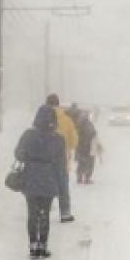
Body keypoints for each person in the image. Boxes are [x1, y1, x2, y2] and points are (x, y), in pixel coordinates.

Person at [16, 106, 65, 259]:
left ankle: (33, 245)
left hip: (31, 177)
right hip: (48, 178)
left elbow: (18, 154)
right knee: (44, 213)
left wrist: (31, 157)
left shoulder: (28, 135)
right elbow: (60, 165)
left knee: (32, 213)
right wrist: (61, 184)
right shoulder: (58, 139)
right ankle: (42, 246)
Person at [46, 94, 78, 222]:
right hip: (62, 159)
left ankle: (45, 209)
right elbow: (74, 141)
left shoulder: (43, 119)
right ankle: (65, 214)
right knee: (63, 186)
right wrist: (67, 147)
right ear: (58, 104)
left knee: (45, 184)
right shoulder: (67, 120)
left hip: (45, 159)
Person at [74, 109, 100, 185]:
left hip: (79, 147)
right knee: (90, 163)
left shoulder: (77, 124)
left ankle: (79, 178)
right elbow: (92, 134)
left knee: (81, 163)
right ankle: (87, 179)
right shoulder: (88, 124)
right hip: (88, 147)